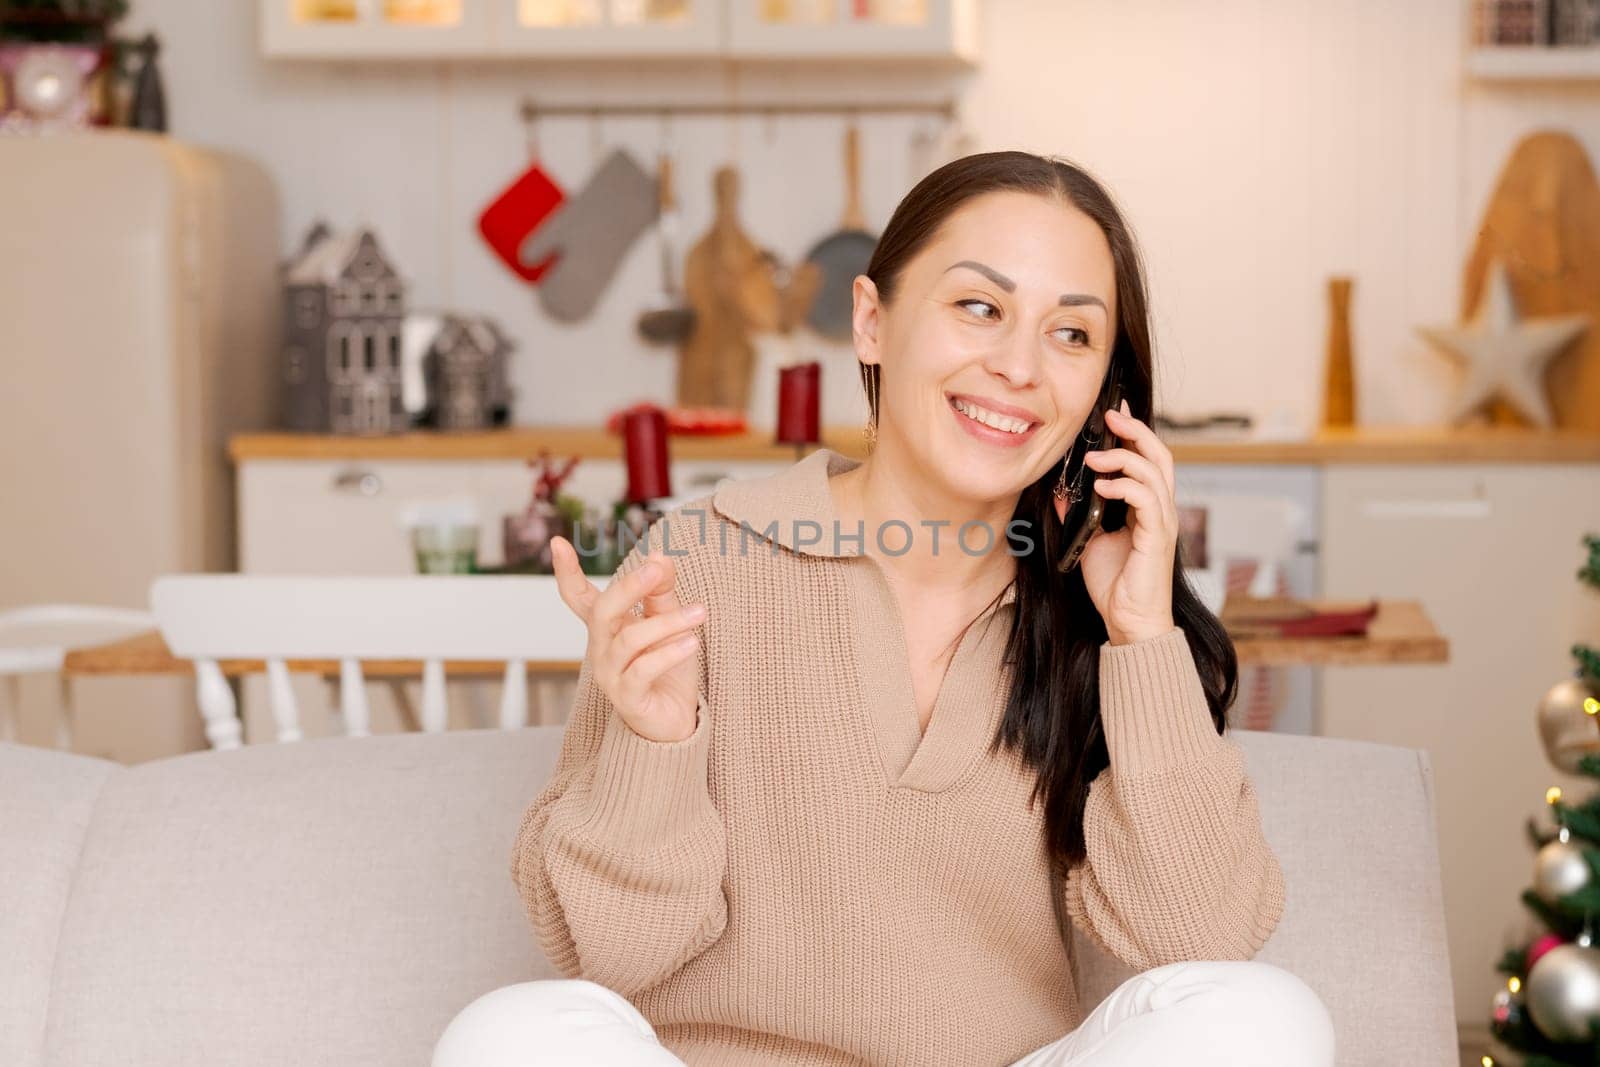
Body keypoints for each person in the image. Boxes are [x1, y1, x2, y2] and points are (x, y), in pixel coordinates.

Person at [434, 150, 1336, 1066]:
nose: (1019, 366)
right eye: (979, 308)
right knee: (509, 1033)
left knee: (1266, 1012)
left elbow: (1198, 935)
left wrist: (1141, 635)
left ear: (1104, 393)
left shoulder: (1089, 609)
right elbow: (607, 953)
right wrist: (655, 749)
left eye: (1071, 335)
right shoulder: (699, 559)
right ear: (872, 320)